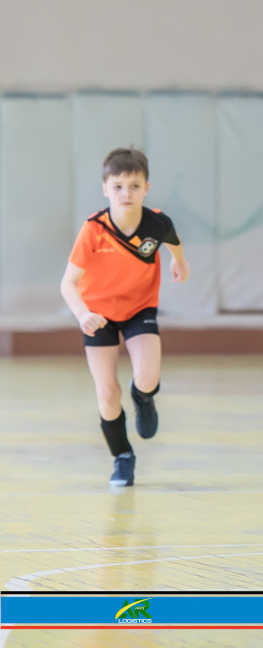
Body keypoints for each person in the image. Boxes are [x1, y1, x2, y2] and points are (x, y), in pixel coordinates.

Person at [59, 147, 190, 487]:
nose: (125, 193)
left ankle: (143, 398)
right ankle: (122, 457)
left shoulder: (157, 222)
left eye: (134, 186)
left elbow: (173, 240)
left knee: (146, 377)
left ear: (146, 187)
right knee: (106, 392)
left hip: (139, 308)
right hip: (97, 314)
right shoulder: (94, 229)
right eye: (117, 186)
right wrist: (82, 314)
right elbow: (68, 283)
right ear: (105, 188)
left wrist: (179, 262)